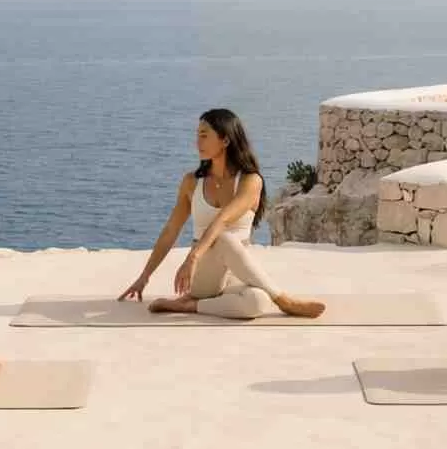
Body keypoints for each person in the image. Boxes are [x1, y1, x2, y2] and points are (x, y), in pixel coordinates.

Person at [118, 108, 326, 319]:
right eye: (197, 135)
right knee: (224, 237)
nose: (197, 142)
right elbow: (171, 230)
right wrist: (145, 276)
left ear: (225, 140)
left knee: (257, 302)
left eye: (204, 135)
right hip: (204, 273)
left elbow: (224, 218)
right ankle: (284, 301)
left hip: (237, 272)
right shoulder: (191, 182)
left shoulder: (250, 181)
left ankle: (188, 306)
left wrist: (191, 257)